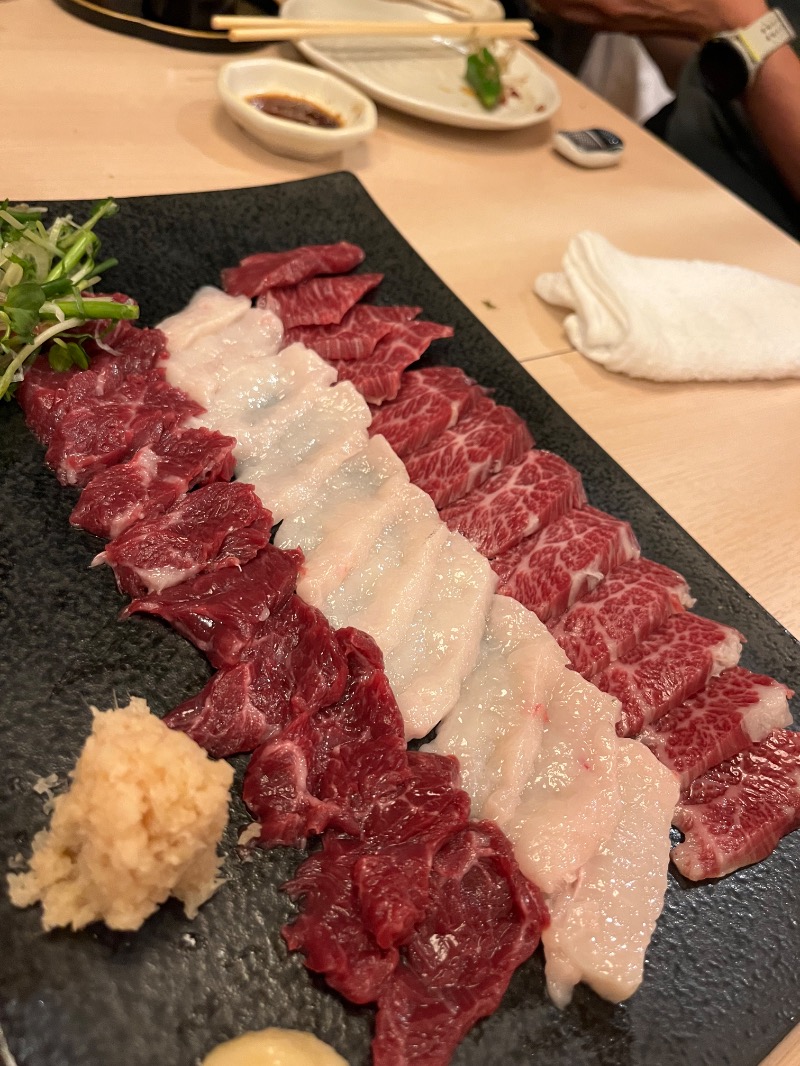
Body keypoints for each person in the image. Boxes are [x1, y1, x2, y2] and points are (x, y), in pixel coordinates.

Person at [523, 0, 800, 237]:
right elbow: (697, 74)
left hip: (749, 250)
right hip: (662, 174)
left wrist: (745, 28)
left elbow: (737, 21)